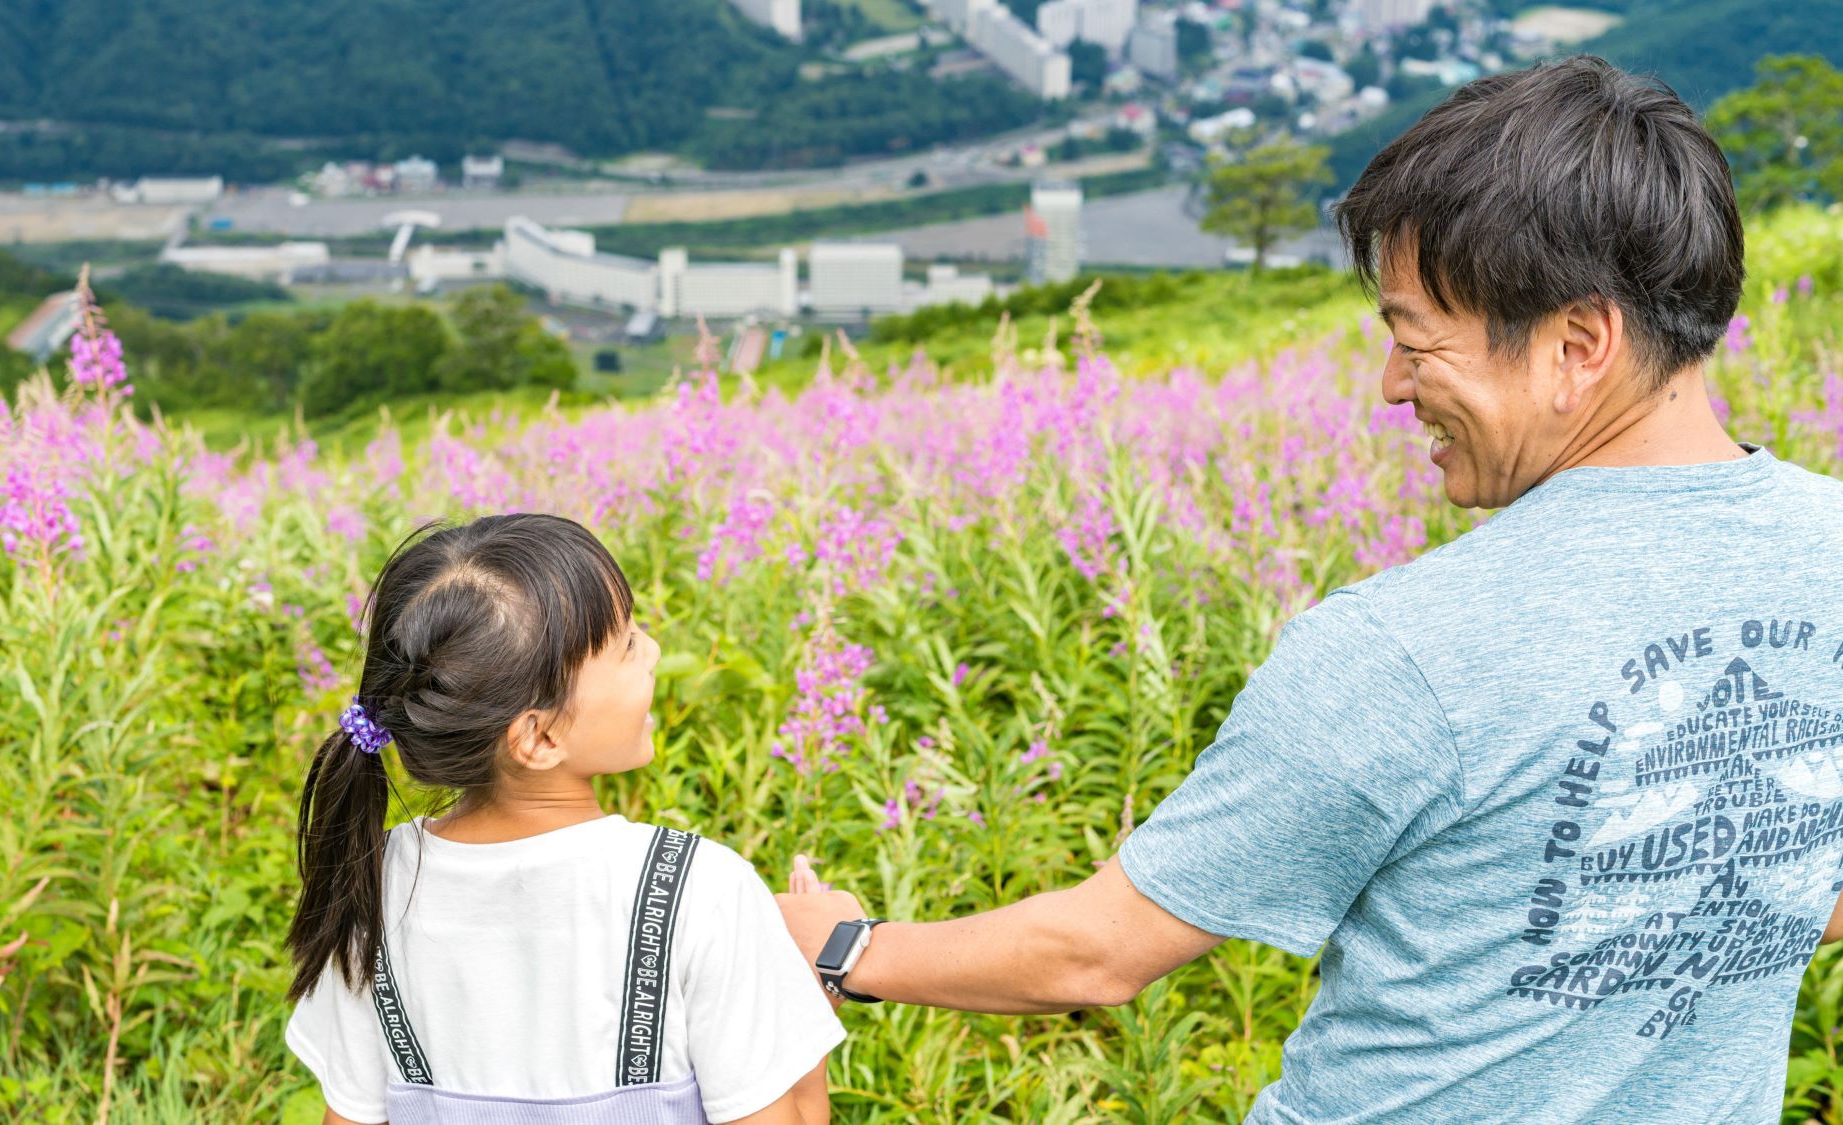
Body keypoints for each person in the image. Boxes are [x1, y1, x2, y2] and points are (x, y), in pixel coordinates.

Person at [778, 55, 1843, 1121]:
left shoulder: (1404, 649)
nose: (1390, 388)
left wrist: (840, 945)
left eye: (1412, 340)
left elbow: (1094, 955)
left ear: (1576, 344)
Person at [285, 513, 842, 1125]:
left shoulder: (375, 884)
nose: (653, 652)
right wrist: (805, 997)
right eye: (628, 645)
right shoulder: (700, 892)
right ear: (540, 736)